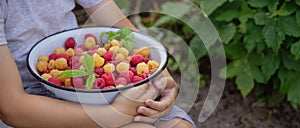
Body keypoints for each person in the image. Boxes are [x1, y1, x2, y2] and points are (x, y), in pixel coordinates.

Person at [0, 0, 196, 127]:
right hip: (31, 101)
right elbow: (12, 108)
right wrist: (111, 115)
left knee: (179, 126)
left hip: (87, 79)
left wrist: (161, 77)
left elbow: (122, 31)